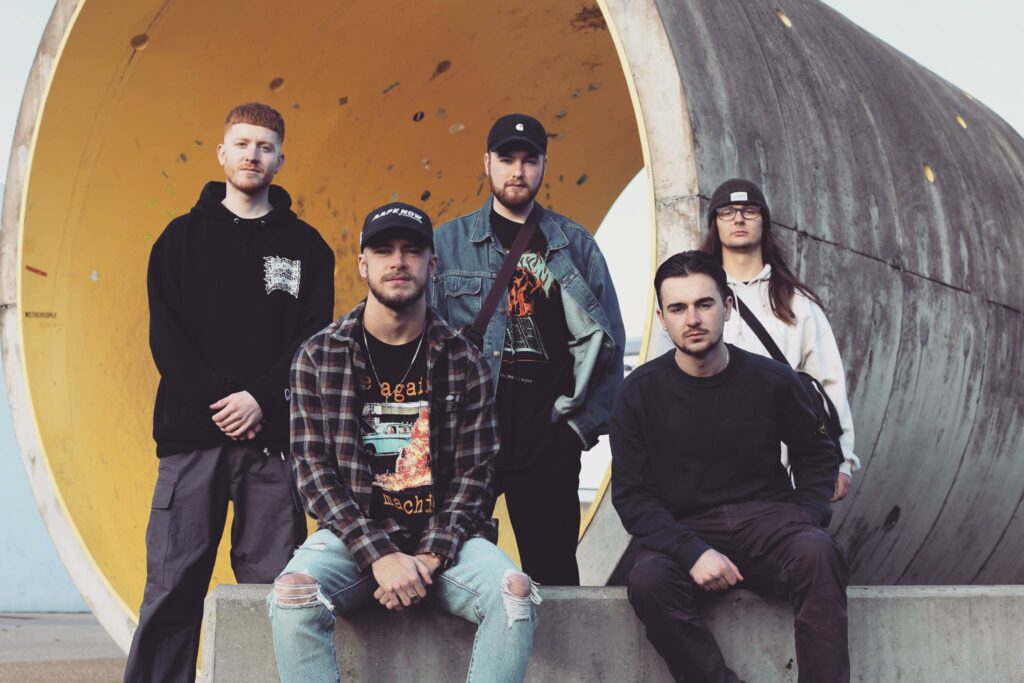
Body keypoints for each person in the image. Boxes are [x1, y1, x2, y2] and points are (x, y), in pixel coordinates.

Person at [270, 202, 539, 683]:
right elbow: (312, 473)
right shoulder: (319, 355)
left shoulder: (463, 359)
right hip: (352, 538)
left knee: (515, 593)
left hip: (447, 542)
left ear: (432, 265)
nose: (398, 261)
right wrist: (378, 554)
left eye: (412, 251)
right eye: (384, 250)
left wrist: (431, 556)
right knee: (293, 595)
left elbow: (477, 475)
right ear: (362, 264)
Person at [125, 103, 335, 682]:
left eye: (264, 147)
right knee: (172, 588)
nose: (252, 155)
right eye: (242, 144)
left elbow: (311, 341)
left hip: (271, 447)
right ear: (221, 154)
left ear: (280, 160)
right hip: (192, 442)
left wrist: (261, 399)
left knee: (276, 592)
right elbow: (167, 340)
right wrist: (224, 402)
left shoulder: (307, 248)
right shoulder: (180, 239)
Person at [611, 251, 849, 683]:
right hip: (687, 526)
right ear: (662, 318)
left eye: (704, 304)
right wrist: (691, 551)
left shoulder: (773, 379)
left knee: (818, 553)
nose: (693, 319)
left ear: (728, 306)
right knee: (648, 582)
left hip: (769, 521)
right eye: (678, 308)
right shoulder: (637, 393)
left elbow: (817, 453)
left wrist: (804, 516)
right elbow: (632, 496)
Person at [430, 113, 625, 586]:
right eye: (506, 159)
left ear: (543, 166)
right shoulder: (447, 244)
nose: (517, 171)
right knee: (450, 570)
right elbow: (420, 341)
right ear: (487, 163)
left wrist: (578, 430)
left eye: (528, 160)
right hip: (468, 441)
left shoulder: (576, 246)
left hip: (548, 442)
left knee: (554, 578)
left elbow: (610, 346)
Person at [699, 178, 859, 501]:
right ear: (715, 224)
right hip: (708, 471)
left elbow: (827, 385)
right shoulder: (697, 301)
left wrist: (842, 461)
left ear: (764, 222)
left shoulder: (798, 303)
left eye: (749, 210)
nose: (739, 219)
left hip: (785, 477)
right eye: (727, 212)